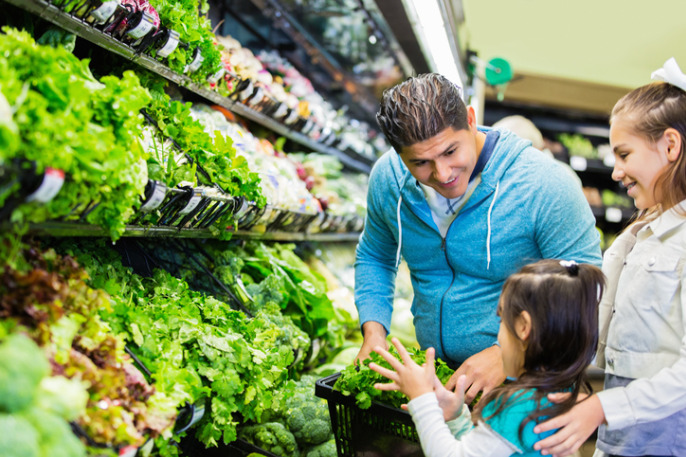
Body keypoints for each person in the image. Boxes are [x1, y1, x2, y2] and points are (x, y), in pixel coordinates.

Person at [354, 73, 602, 402]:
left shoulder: (544, 185)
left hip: (527, 388)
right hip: (441, 380)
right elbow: (375, 255)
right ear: (399, 156)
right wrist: (374, 330)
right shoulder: (388, 179)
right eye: (421, 162)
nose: (442, 174)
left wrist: (506, 355)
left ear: (471, 120)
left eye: (450, 151)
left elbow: (586, 290)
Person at [533, 57, 686, 457]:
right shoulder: (641, 231)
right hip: (624, 432)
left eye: (624, 154)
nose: (616, 172)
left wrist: (601, 407)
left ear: (670, 145)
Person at [369, 259, 605, 457]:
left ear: (523, 327)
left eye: (501, 319)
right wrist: (456, 416)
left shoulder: (517, 407)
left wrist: (421, 400)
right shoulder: (553, 400)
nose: (498, 331)